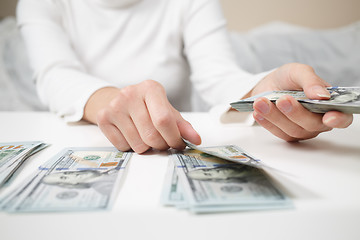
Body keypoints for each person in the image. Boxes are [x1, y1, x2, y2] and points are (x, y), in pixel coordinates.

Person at [17, 0, 353, 154]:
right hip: (88, 145)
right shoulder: (40, 4)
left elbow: (218, 77)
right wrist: (111, 102)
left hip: (167, 152)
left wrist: (261, 91)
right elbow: (54, 74)